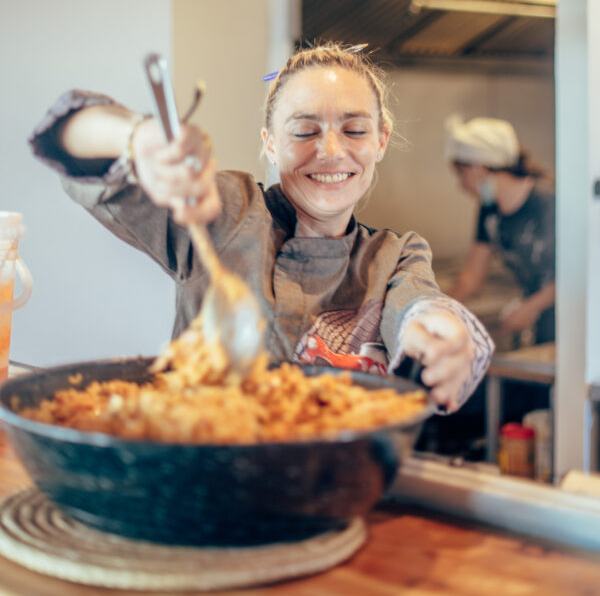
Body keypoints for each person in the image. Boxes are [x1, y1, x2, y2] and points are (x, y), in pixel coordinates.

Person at [29, 44, 494, 414]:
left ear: (380, 140)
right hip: (200, 473)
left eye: (354, 130)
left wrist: (441, 332)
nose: (331, 151)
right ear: (270, 143)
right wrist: (139, 137)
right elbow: (71, 137)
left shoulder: (395, 255)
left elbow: (421, 306)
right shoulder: (225, 212)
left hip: (333, 490)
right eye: (304, 131)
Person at [445, 115, 555, 345]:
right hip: (536, 316)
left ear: (480, 168)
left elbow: (578, 273)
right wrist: (439, 310)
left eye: (462, 174)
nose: (462, 185)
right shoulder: (490, 210)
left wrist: (531, 308)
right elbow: (472, 276)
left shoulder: (548, 203)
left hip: (571, 317)